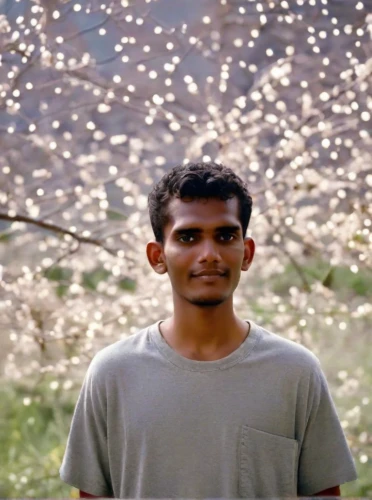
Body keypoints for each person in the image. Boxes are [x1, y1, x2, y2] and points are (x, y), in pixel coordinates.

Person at [60, 162, 357, 498]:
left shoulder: (295, 371)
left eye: (225, 235)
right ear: (158, 257)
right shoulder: (112, 373)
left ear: (246, 253)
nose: (209, 254)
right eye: (188, 237)